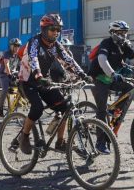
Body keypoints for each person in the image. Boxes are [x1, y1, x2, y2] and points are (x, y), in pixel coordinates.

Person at [16, 14, 89, 155]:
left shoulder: (56, 45)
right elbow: (33, 58)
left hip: (45, 82)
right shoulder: (35, 42)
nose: (56, 32)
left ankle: (60, 141)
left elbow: (69, 60)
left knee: (65, 108)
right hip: (28, 81)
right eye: (52, 29)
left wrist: (82, 74)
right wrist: (38, 74)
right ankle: (23, 136)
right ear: (44, 29)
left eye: (58, 29)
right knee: (37, 108)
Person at [87, 20, 134, 155]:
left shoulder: (124, 45)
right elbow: (102, 60)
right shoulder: (106, 43)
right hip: (98, 78)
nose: (123, 35)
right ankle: (100, 143)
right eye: (121, 33)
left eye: (125, 32)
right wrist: (113, 74)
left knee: (130, 88)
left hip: (111, 78)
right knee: (101, 110)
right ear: (113, 33)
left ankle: (114, 110)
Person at [0, 38, 21, 117]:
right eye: (15, 46)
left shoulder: (17, 55)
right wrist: (9, 74)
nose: (17, 47)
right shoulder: (7, 53)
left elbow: (21, 65)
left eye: (18, 46)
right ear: (11, 46)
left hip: (13, 74)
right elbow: (6, 64)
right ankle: (0, 107)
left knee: (22, 86)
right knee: (5, 89)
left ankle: (16, 102)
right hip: (4, 74)